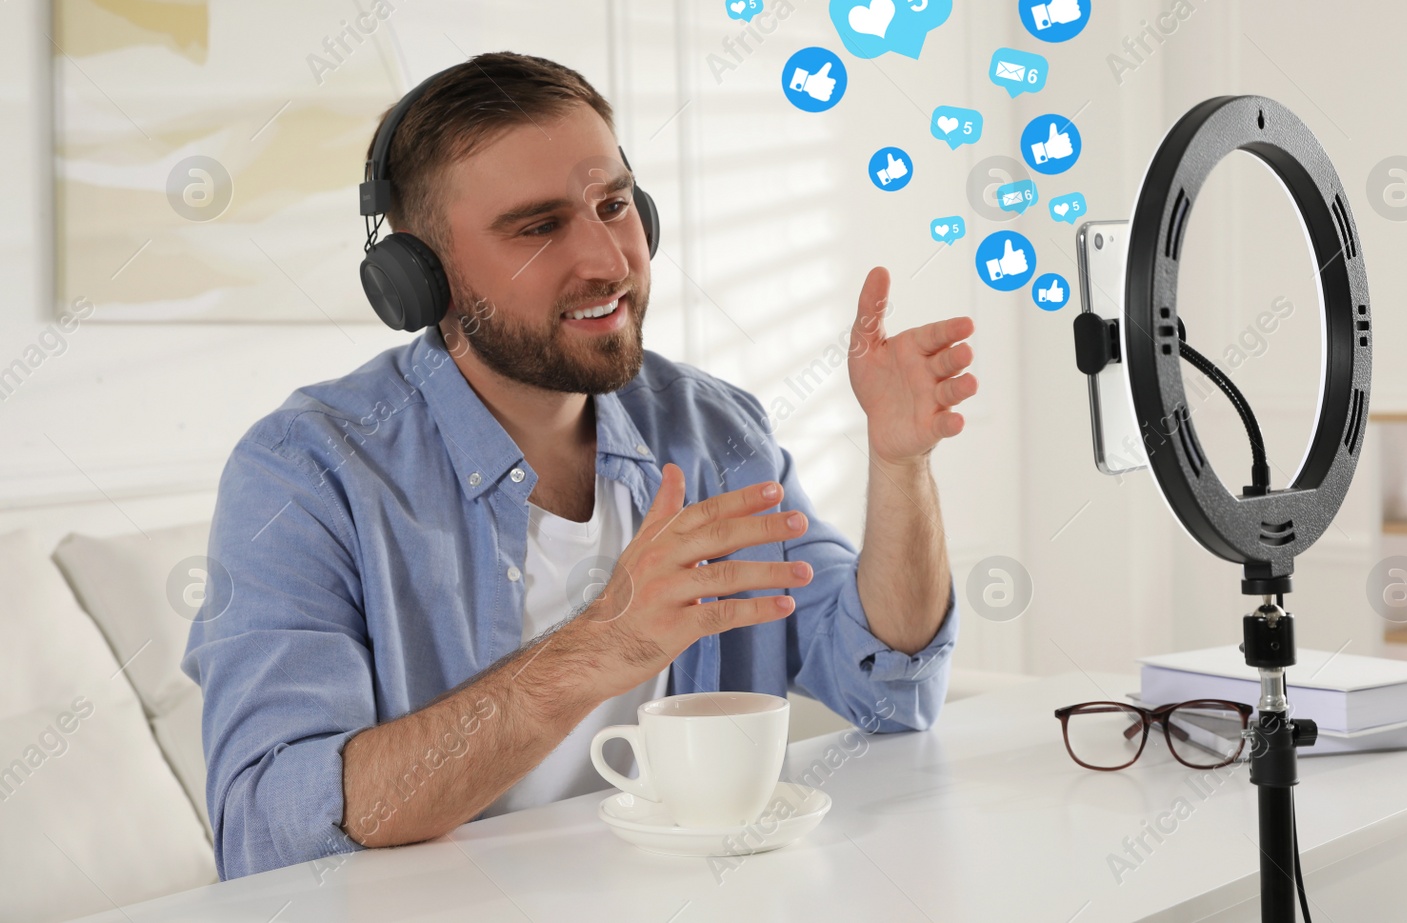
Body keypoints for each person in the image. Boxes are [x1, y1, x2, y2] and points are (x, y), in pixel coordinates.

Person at [182, 52, 978, 880]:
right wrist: (603, 643)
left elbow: (890, 688)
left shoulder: (710, 428)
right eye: (538, 226)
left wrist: (901, 465)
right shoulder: (306, 472)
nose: (607, 260)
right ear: (419, 277)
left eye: (614, 205)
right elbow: (270, 831)